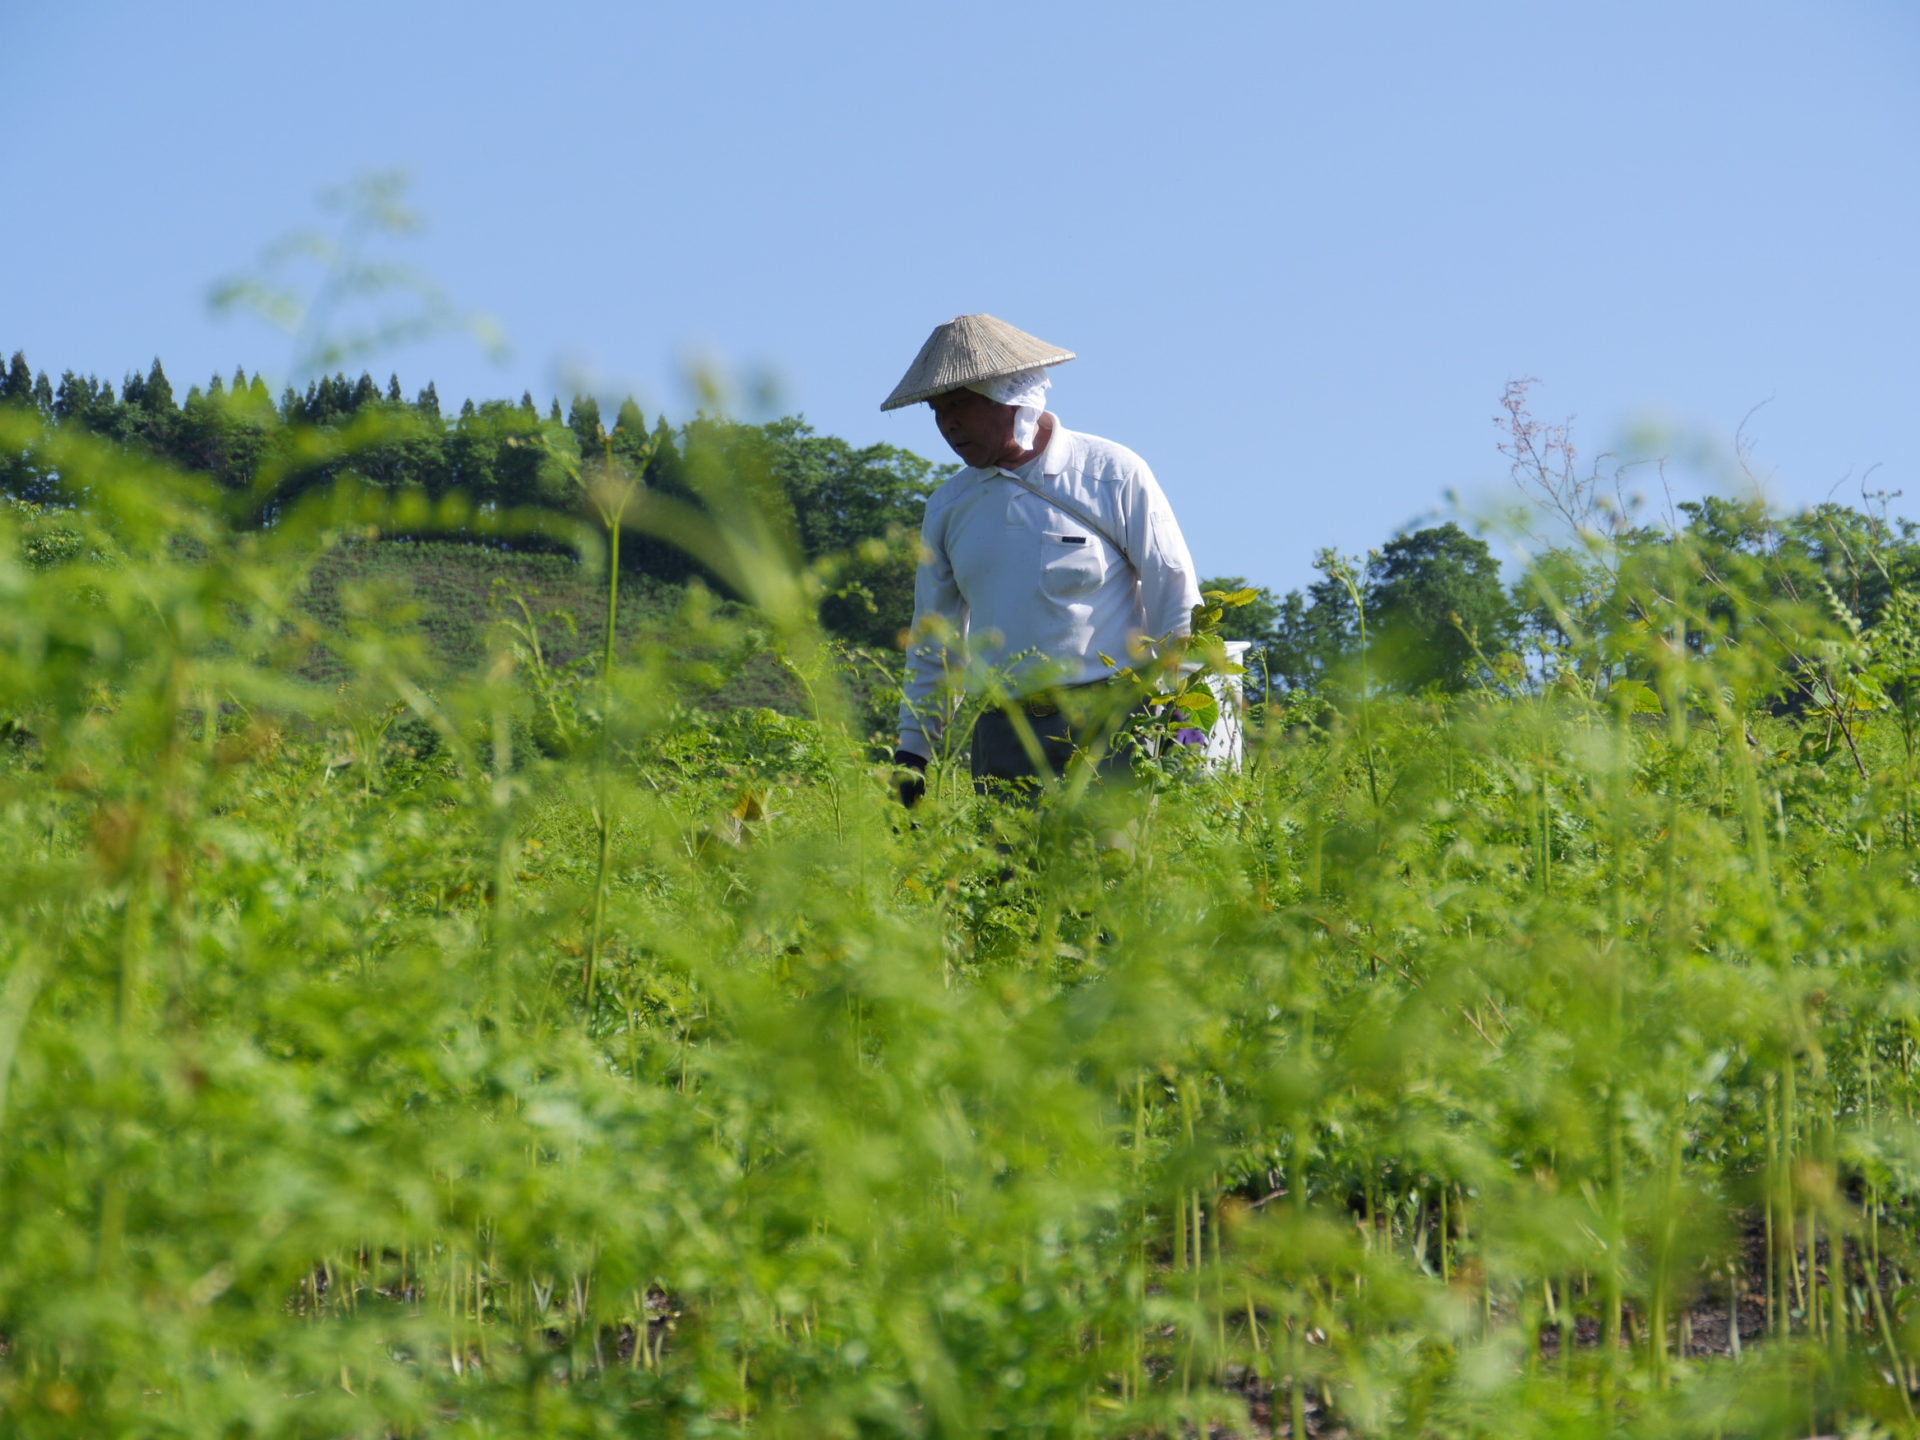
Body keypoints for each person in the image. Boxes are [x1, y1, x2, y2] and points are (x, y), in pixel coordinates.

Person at [880, 313, 1201, 804]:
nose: (948, 424)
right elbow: (936, 640)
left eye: (961, 405)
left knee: (1106, 875)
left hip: (1108, 726)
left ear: (1012, 398)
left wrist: (1180, 704)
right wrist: (912, 753)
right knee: (1009, 878)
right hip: (1003, 736)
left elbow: (1171, 587)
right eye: (937, 411)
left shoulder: (1110, 473)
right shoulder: (949, 507)